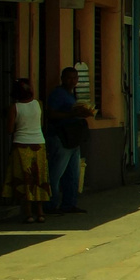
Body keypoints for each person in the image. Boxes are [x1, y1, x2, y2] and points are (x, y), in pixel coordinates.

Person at [44, 66, 92, 214]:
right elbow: (51, 114)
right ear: (63, 79)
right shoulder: (57, 94)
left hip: (73, 138)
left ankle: (69, 204)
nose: (72, 81)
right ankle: (50, 205)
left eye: (75, 78)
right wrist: (70, 114)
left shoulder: (71, 95)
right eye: (69, 78)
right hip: (60, 137)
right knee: (56, 173)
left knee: (72, 174)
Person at [3, 78, 51, 223]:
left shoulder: (14, 107)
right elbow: (40, 124)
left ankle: (28, 213)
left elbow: (10, 129)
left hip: (21, 144)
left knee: (25, 178)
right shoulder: (38, 104)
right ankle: (41, 212)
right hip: (39, 144)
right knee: (39, 177)